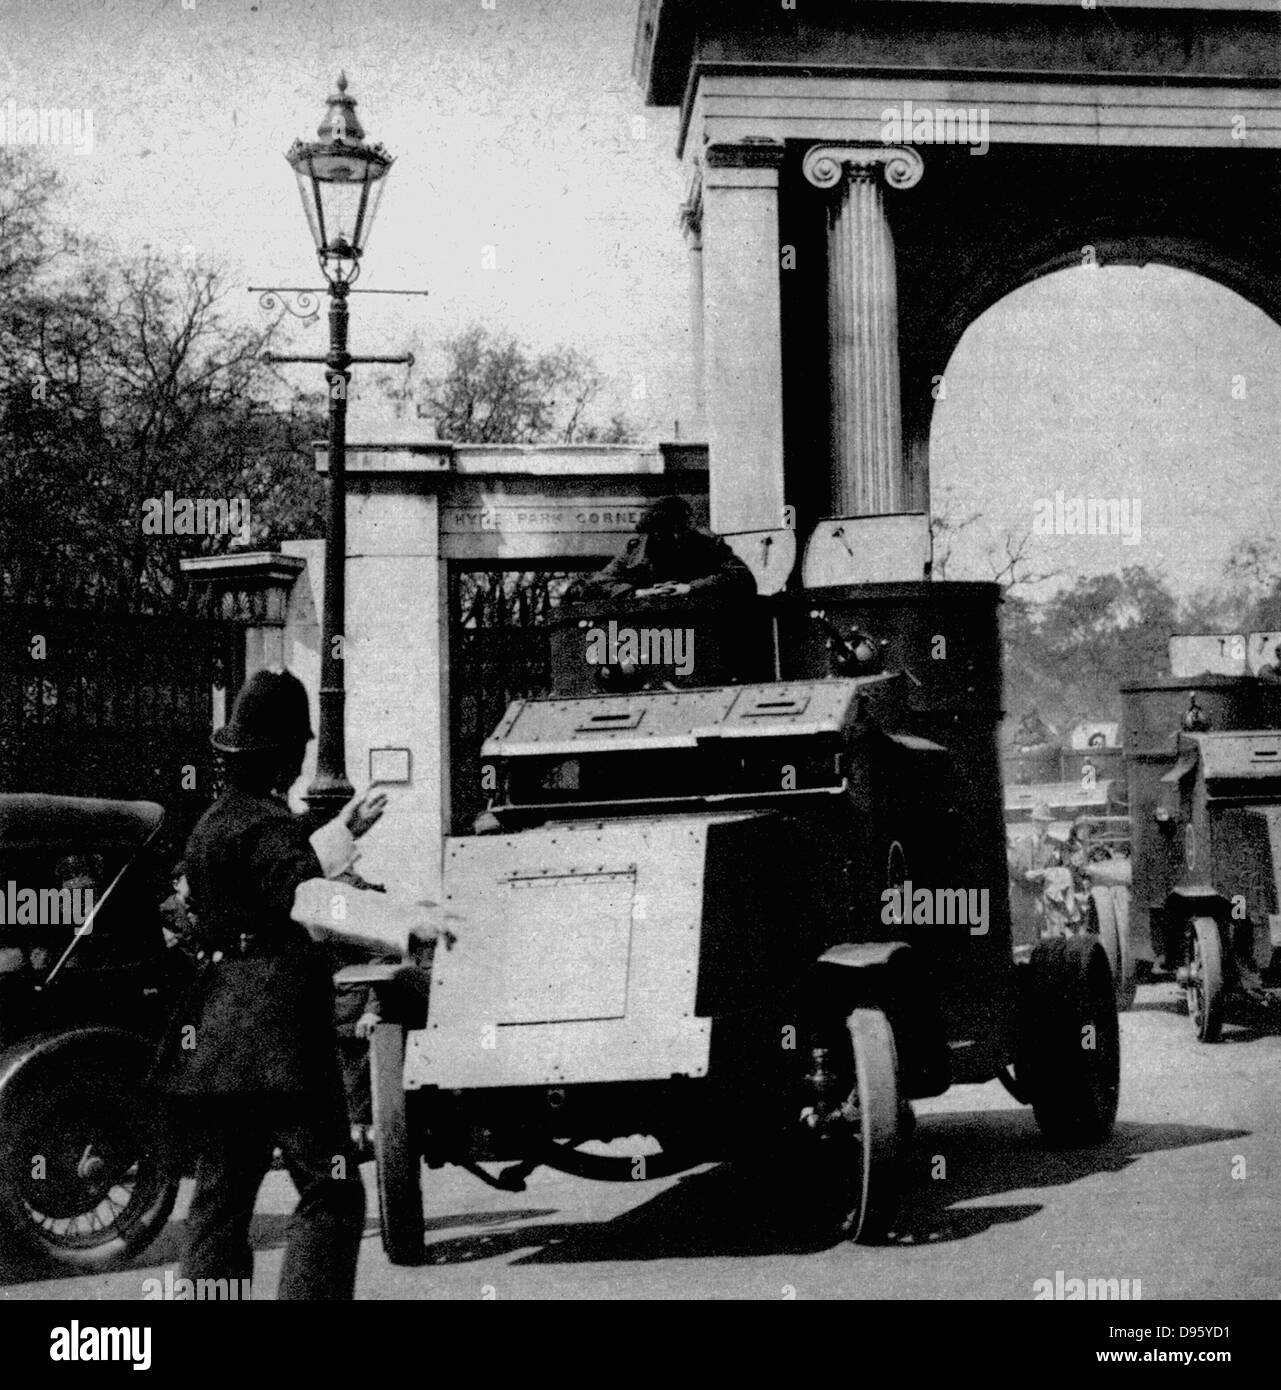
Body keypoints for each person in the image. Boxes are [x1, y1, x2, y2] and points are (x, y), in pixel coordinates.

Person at [157, 667, 432, 1300]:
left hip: (219, 1033)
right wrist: (407, 922)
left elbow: (263, 884)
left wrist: (341, 833)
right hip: (280, 1030)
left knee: (222, 1198)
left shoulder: (216, 823)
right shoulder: (269, 827)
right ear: (291, 754)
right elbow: (304, 896)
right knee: (331, 1187)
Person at [566, 495, 756, 603]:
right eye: (666, 532)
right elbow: (597, 586)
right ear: (653, 533)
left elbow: (742, 579)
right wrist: (641, 593)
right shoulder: (634, 552)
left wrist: (689, 588)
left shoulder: (707, 545)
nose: (675, 537)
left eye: (679, 530)